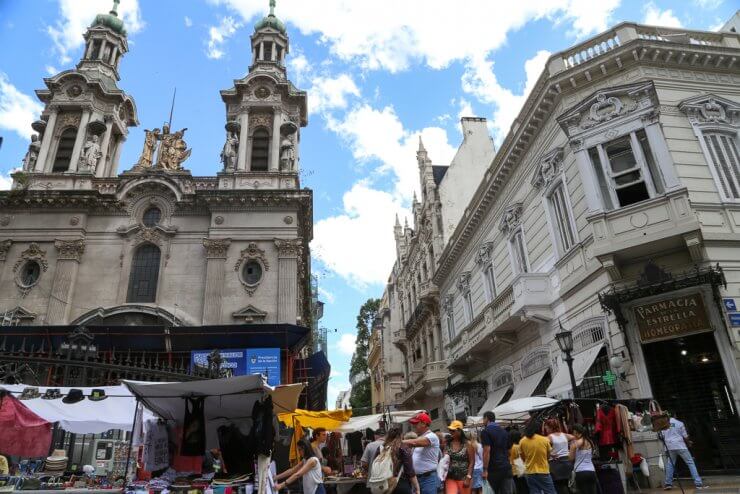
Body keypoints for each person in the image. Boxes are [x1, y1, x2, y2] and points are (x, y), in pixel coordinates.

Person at [661, 415, 705, 490]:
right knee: (690, 463)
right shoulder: (679, 423)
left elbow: (662, 436)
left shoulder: (663, 424)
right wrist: (689, 443)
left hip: (670, 447)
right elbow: (685, 436)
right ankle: (698, 483)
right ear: (674, 415)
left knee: (670, 464)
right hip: (680, 445)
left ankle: (668, 483)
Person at [403, 412, 441, 494]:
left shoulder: (432, 436)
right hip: (418, 478)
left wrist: (397, 442)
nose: (414, 426)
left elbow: (413, 443)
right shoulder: (421, 437)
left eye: (416, 423)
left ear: (424, 424)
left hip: (428, 479)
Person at [519, 420, 556, 494]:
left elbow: (522, 458)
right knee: (551, 492)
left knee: (534, 492)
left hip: (529, 472)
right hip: (543, 471)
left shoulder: (522, 441)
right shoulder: (544, 440)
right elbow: (547, 456)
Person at [481, 411, 514, 494]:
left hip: (493, 469)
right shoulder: (504, 432)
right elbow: (510, 450)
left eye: (483, 419)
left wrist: (485, 469)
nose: (483, 421)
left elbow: (486, 451)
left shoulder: (485, 431)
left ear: (486, 419)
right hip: (506, 467)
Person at [383, 427, 420, 494]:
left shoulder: (381, 448)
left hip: (384, 485)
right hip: (400, 483)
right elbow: (410, 471)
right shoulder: (403, 448)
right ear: (401, 436)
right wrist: (417, 487)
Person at [444, 421, 475, 494]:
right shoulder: (447, 444)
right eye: (450, 430)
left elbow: (472, 462)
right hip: (450, 477)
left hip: (463, 477)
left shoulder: (467, 444)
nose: (451, 432)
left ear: (459, 431)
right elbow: (444, 460)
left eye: (453, 430)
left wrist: (468, 477)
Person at [544, 418, 573, 494]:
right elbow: (575, 437)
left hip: (556, 464)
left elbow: (540, 446)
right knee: (568, 485)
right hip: (567, 463)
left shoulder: (549, 437)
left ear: (550, 427)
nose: (546, 429)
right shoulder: (565, 435)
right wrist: (571, 449)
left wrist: (550, 454)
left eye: (546, 427)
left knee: (559, 487)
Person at [568, 425, 597, 494]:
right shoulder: (590, 441)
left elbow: (571, 458)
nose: (573, 435)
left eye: (574, 433)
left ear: (579, 433)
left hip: (581, 472)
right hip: (592, 471)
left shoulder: (576, 443)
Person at [509, 430, 528, 494]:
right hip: (519, 469)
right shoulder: (517, 446)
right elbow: (520, 458)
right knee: (523, 487)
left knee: (518, 488)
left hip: (513, 469)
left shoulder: (510, 446)